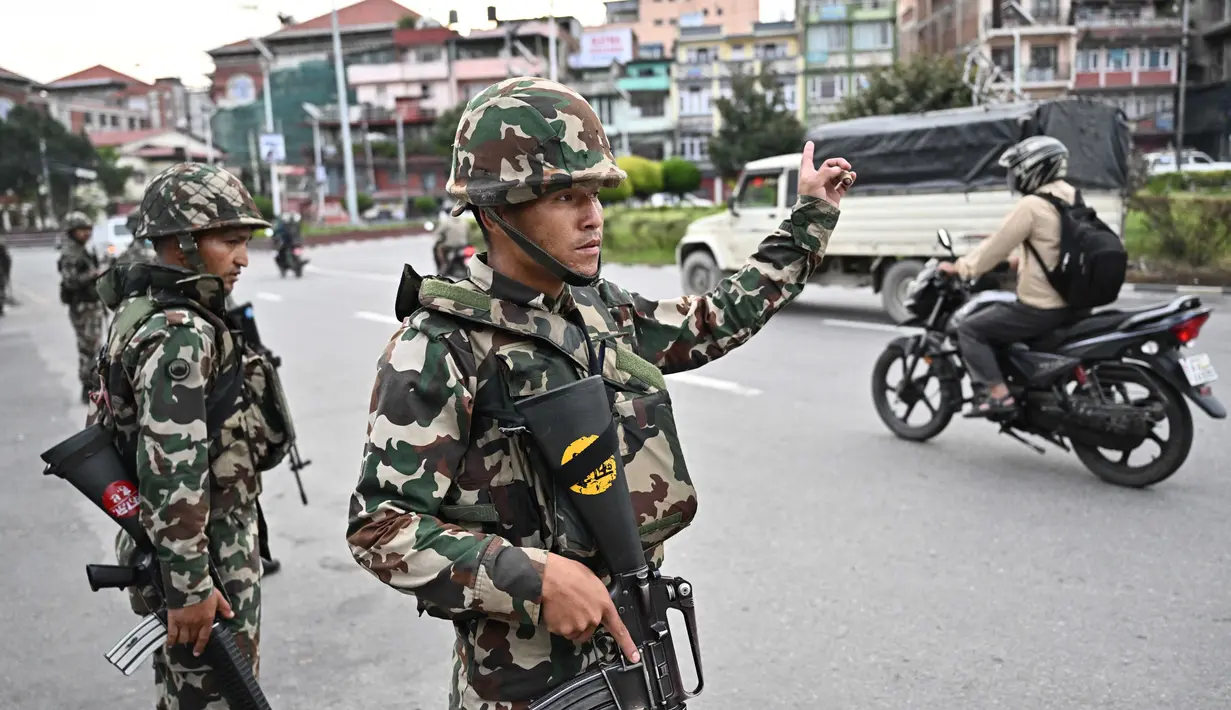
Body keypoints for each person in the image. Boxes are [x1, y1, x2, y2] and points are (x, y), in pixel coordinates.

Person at [344, 77, 853, 710]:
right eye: (565, 196)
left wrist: (809, 219)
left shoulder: (595, 309)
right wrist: (534, 580)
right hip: (521, 684)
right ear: (497, 208)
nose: (593, 216)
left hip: (629, 640)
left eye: (595, 194)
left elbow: (716, 318)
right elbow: (381, 530)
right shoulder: (440, 345)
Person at [86, 162, 292, 710]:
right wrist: (190, 587)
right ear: (182, 243)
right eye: (231, 241)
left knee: (188, 693)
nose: (243, 258)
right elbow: (172, 467)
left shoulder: (143, 312)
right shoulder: (180, 334)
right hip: (205, 554)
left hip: (187, 549)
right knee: (218, 697)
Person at [937, 135, 1076, 417]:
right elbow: (1055, 245)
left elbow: (996, 246)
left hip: (1043, 307)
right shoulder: (1071, 196)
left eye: (1017, 169)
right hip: (1073, 300)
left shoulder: (1033, 206)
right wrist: (1019, 264)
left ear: (1035, 169)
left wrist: (962, 268)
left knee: (971, 329)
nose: (1014, 177)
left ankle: (999, 396)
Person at [57, 211, 105, 403]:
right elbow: (70, 281)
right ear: (71, 231)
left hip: (90, 304)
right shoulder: (71, 253)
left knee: (92, 346)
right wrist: (93, 274)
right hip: (83, 307)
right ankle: (89, 386)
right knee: (89, 347)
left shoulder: (81, 249)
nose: (86, 233)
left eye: (88, 229)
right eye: (81, 229)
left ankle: (91, 384)